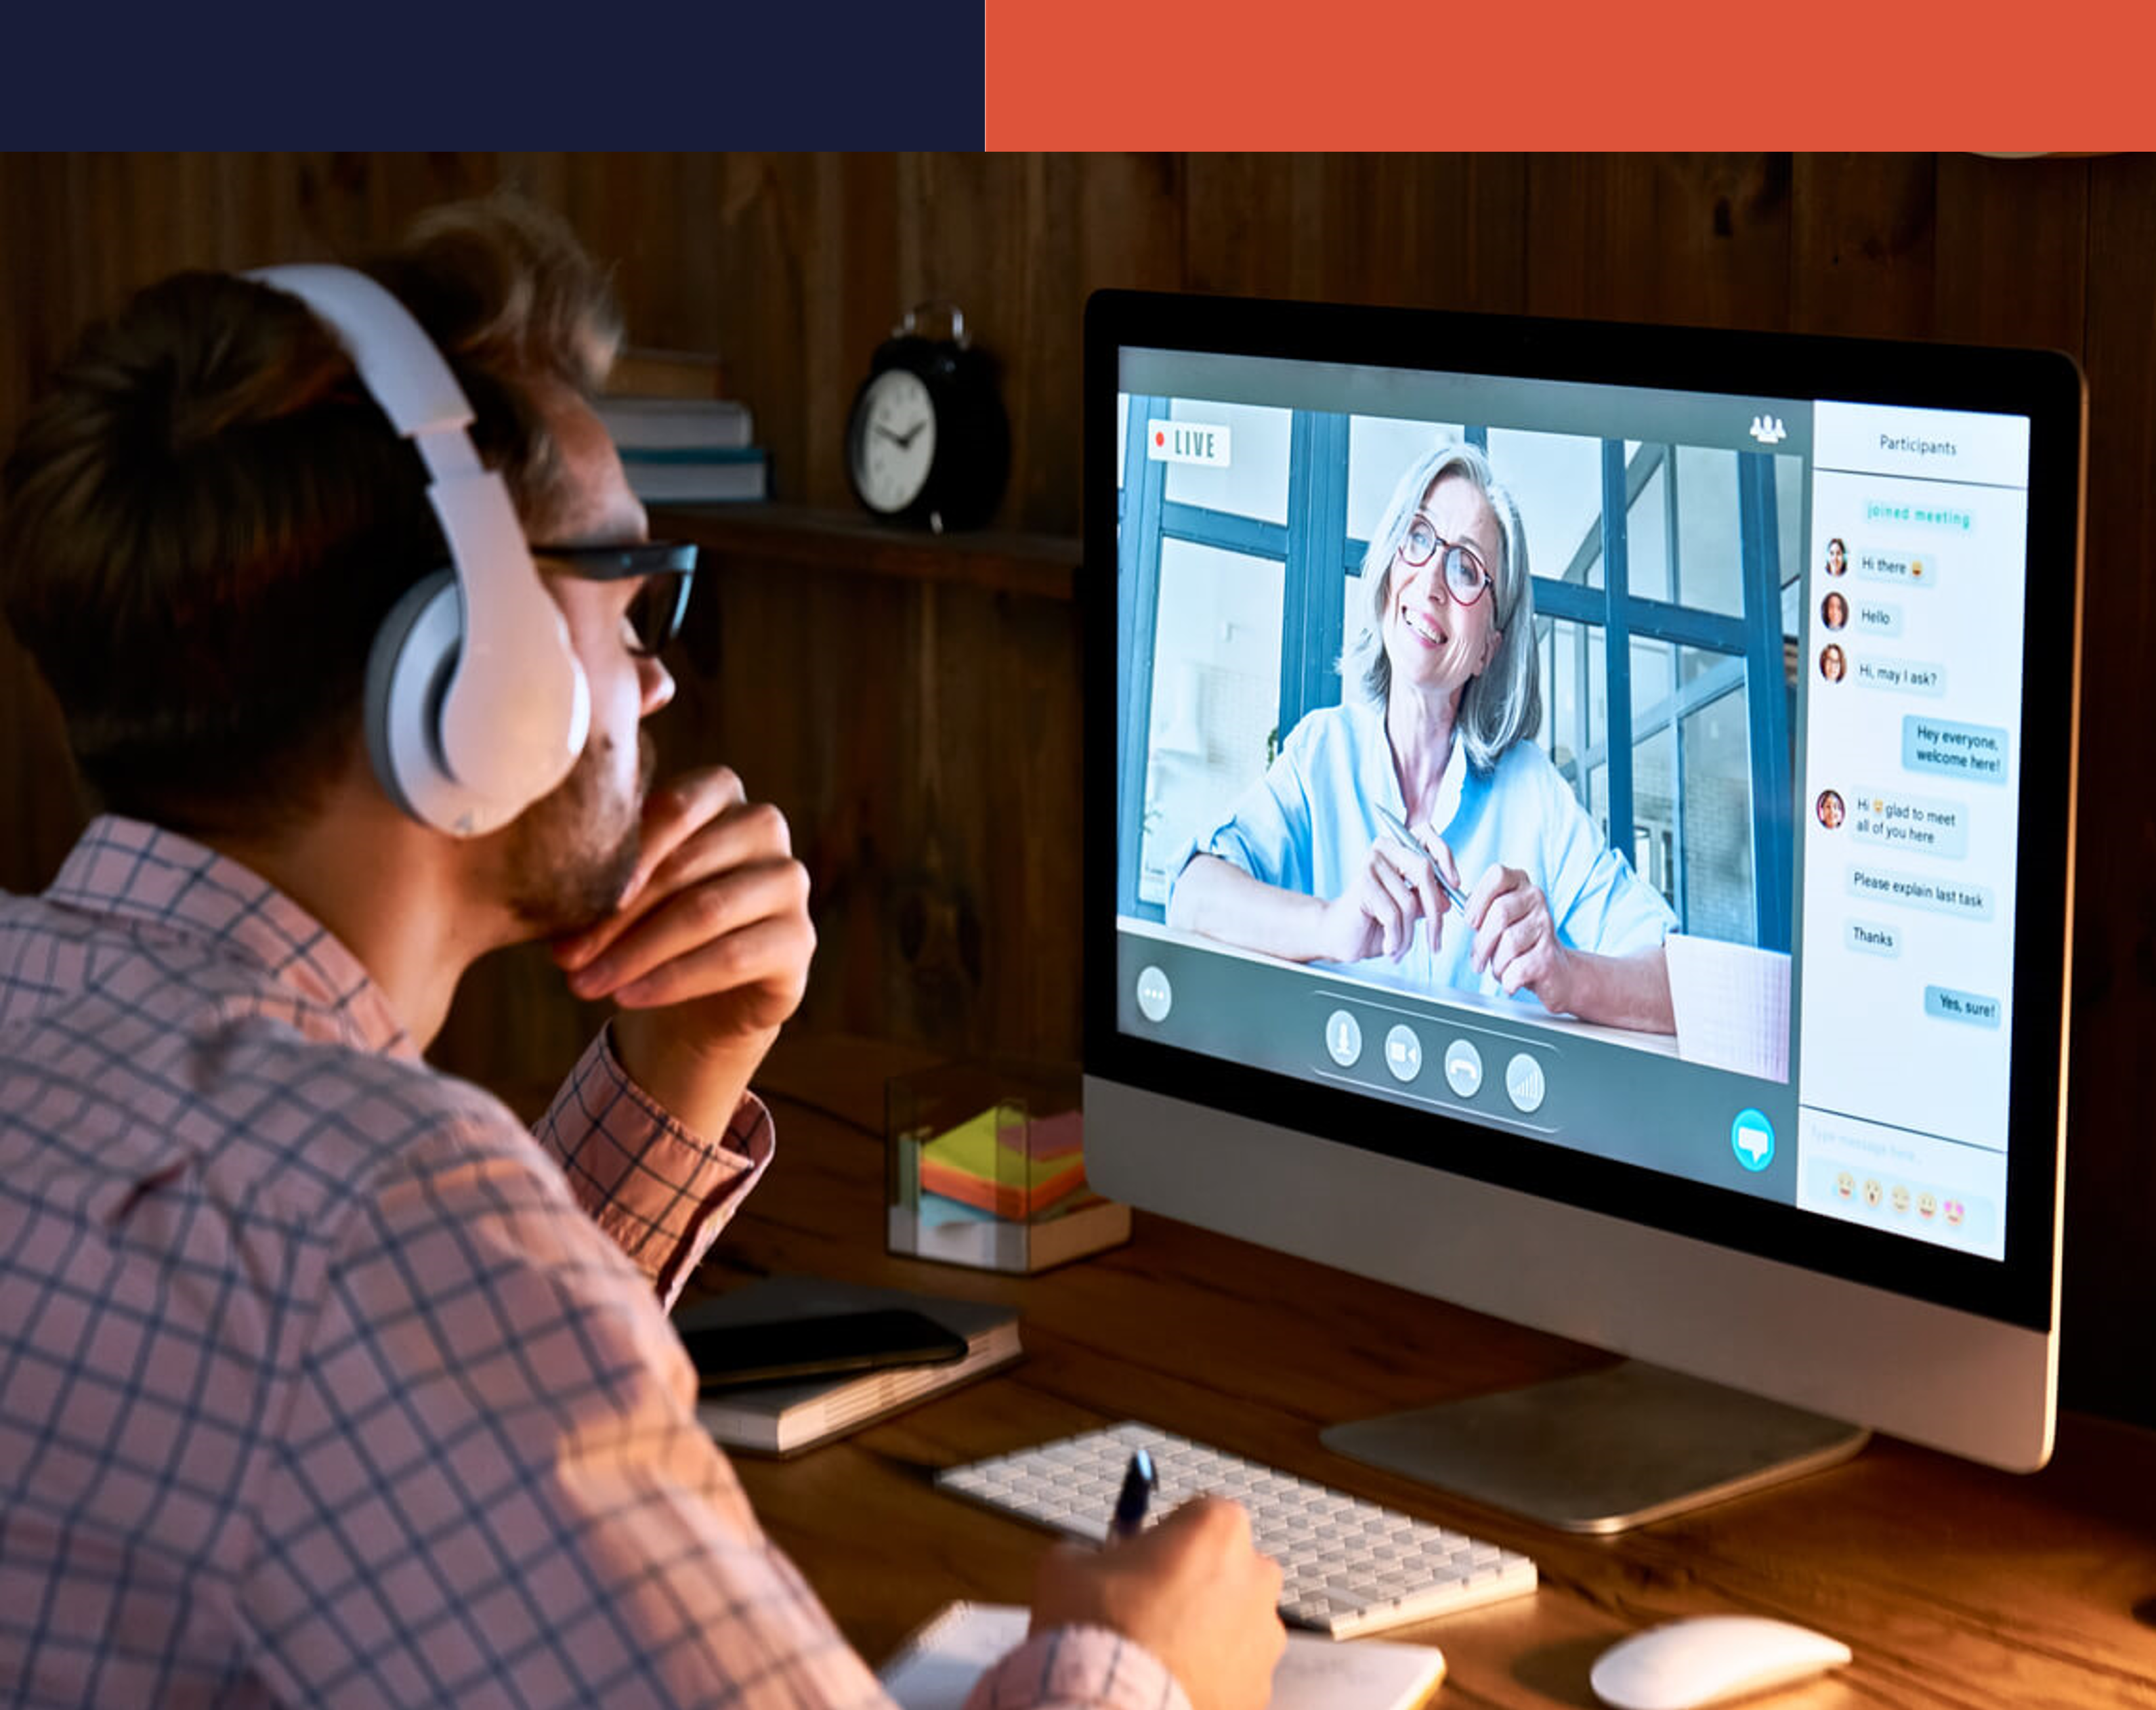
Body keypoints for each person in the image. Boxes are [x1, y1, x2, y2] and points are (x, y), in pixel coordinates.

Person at [0, 198, 1283, 1710]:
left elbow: (414, 1457)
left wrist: (677, 1077)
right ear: (478, 684)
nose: (658, 675)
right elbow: (377, 1314)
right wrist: (1140, 1662)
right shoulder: (369, 1222)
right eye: (625, 598)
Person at [1167, 442, 1679, 1034]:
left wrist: (1567, 975)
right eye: (1418, 538)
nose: (1431, 581)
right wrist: (1331, 925)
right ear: (1389, 569)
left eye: (1465, 567)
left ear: (1490, 644)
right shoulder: (1321, 752)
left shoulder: (1534, 793)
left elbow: (1676, 984)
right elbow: (1192, 898)